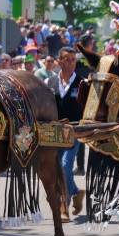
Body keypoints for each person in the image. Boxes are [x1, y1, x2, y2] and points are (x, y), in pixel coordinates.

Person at [46, 47, 85, 219]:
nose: (71, 63)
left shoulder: (83, 84)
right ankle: (76, 192)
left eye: (73, 60)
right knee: (56, 168)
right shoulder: (50, 82)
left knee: (65, 164)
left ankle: (64, 205)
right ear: (59, 61)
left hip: (74, 130)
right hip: (55, 132)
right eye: (67, 60)